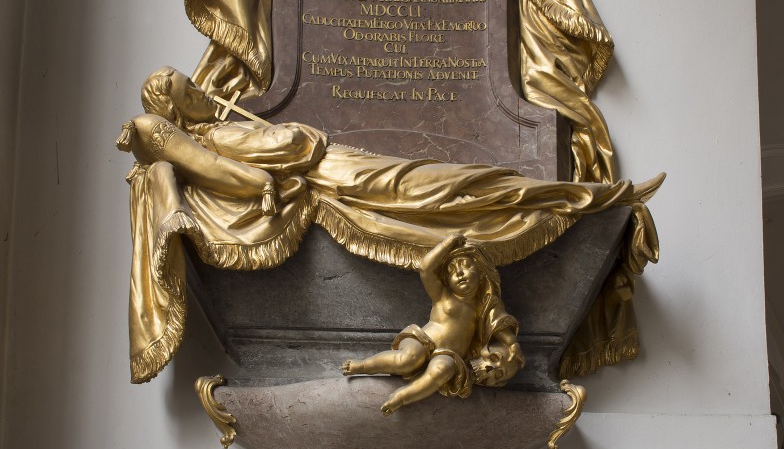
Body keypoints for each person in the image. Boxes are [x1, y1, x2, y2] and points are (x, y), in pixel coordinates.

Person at [118, 66, 662, 385]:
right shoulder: (206, 141)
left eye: (193, 85)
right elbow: (209, 167)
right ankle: (585, 199)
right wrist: (262, 183)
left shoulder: (224, 128)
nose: (201, 91)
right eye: (188, 91)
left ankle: (587, 197)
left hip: (342, 164)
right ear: (173, 108)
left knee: (460, 182)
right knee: (451, 190)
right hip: (335, 180)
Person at [342, 232, 525, 412]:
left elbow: (498, 324)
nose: (459, 273)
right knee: (407, 359)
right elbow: (426, 269)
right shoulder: (443, 296)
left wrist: (512, 343)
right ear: (447, 280)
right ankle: (363, 365)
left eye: (465, 266)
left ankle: (401, 397)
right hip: (422, 340)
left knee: (442, 369)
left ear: (481, 271)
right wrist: (446, 244)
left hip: (449, 354)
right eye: (452, 271)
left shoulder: (484, 306)